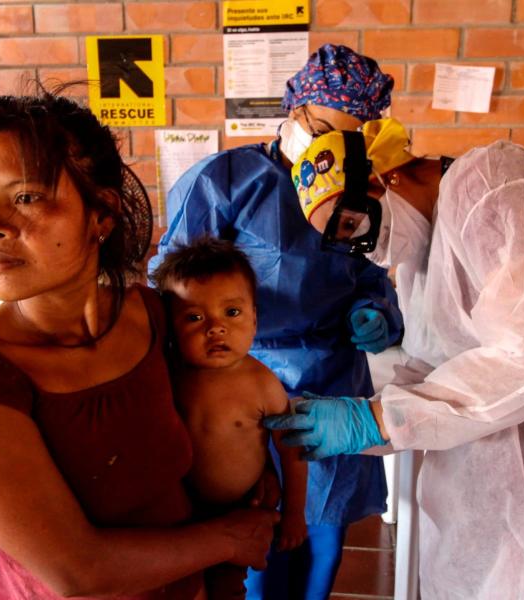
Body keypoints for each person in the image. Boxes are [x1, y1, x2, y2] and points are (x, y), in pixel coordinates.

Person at [267, 118, 524, 598]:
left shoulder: (494, 184)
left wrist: (376, 419)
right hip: (489, 465)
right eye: (344, 242)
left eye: (353, 225)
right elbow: (434, 371)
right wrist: (363, 421)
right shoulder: (424, 259)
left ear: (385, 177)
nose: (363, 248)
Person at [0, 90, 278, 600]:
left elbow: (203, 417)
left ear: (102, 214)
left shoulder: (150, 316)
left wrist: (250, 463)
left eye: (25, 197)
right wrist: (225, 540)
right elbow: (77, 572)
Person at [149, 44, 404, 600]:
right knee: (256, 536)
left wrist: (378, 313)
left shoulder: (361, 192)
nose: (337, 153)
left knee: (324, 539)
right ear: (295, 115)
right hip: (241, 378)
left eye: (353, 140)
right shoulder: (229, 182)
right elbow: (172, 281)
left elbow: (372, 271)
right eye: (327, 132)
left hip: (334, 378)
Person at [152, 237, 308, 599]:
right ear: (170, 328)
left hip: (238, 511)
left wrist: (295, 512)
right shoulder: (167, 375)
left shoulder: (262, 384)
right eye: (194, 317)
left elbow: (292, 450)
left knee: (226, 590)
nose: (215, 328)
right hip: (173, 514)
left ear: (255, 316)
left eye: (232, 313)